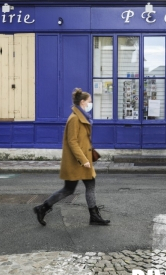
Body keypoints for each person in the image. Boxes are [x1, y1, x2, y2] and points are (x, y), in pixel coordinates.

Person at [33, 88, 110, 226]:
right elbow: (72, 141)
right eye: (89, 102)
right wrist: (84, 160)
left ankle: (93, 215)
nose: (90, 104)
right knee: (70, 189)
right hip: (77, 162)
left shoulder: (82, 117)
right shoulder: (74, 118)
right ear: (82, 102)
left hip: (81, 161)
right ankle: (42, 208)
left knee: (85, 186)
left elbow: (81, 140)